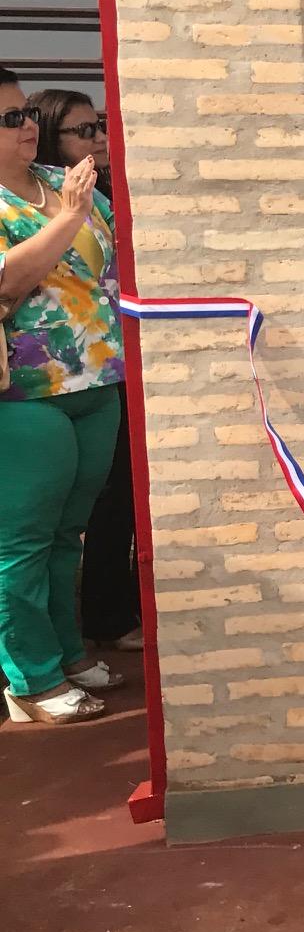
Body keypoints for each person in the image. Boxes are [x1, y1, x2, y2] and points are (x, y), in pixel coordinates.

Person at [0, 70, 127, 725]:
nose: (26, 126)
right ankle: (30, 678)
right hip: (27, 394)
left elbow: (111, 269)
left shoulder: (64, 183)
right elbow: (7, 282)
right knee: (22, 542)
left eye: (25, 113)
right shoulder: (62, 200)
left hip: (97, 381)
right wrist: (71, 216)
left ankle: (67, 653)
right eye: (9, 120)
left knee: (65, 535)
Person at [24, 87, 139, 653]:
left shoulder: (98, 195)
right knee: (42, 528)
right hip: (43, 386)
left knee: (99, 509)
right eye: (84, 131)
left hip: (106, 370)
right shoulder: (34, 204)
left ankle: (86, 632)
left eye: (101, 126)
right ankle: (65, 645)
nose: (99, 140)